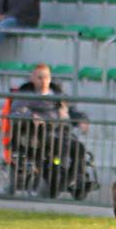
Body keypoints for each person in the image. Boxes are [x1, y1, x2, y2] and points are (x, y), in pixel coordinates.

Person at [9, 63, 90, 197]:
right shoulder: (26, 95)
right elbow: (15, 112)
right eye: (39, 77)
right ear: (33, 79)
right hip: (39, 134)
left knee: (79, 148)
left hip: (61, 132)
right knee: (60, 147)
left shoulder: (57, 94)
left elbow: (72, 111)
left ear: (50, 78)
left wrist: (82, 119)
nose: (43, 81)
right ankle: (60, 180)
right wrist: (30, 116)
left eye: (46, 77)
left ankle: (77, 181)